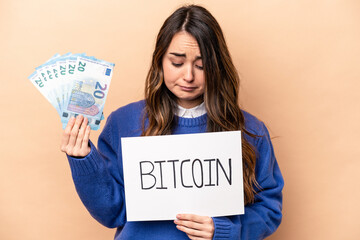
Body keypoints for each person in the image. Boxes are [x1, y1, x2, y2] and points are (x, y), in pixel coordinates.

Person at [60, 4, 284, 240]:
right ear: (160, 61)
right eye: (177, 63)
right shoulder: (123, 123)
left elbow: (269, 208)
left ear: (217, 66)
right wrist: (83, 160)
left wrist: (224, 231)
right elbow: (112, 213)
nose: (188, 76)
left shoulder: (251, 130)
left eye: (201, 65)